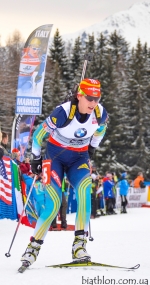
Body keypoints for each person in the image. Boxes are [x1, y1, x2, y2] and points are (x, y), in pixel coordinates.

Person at [20, 78, 108, 267]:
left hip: (79, 159)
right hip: (55, 158)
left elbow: (101, 130)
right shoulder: (63, 112)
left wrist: (92, 148)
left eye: (97, 98)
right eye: (89, 98)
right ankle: (33, 248)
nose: (93, 102)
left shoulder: (100, 113)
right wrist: (36, 159)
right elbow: (38, 135)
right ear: (80, 96)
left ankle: (79, 246)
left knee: (85, 191)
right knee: (54, 203)